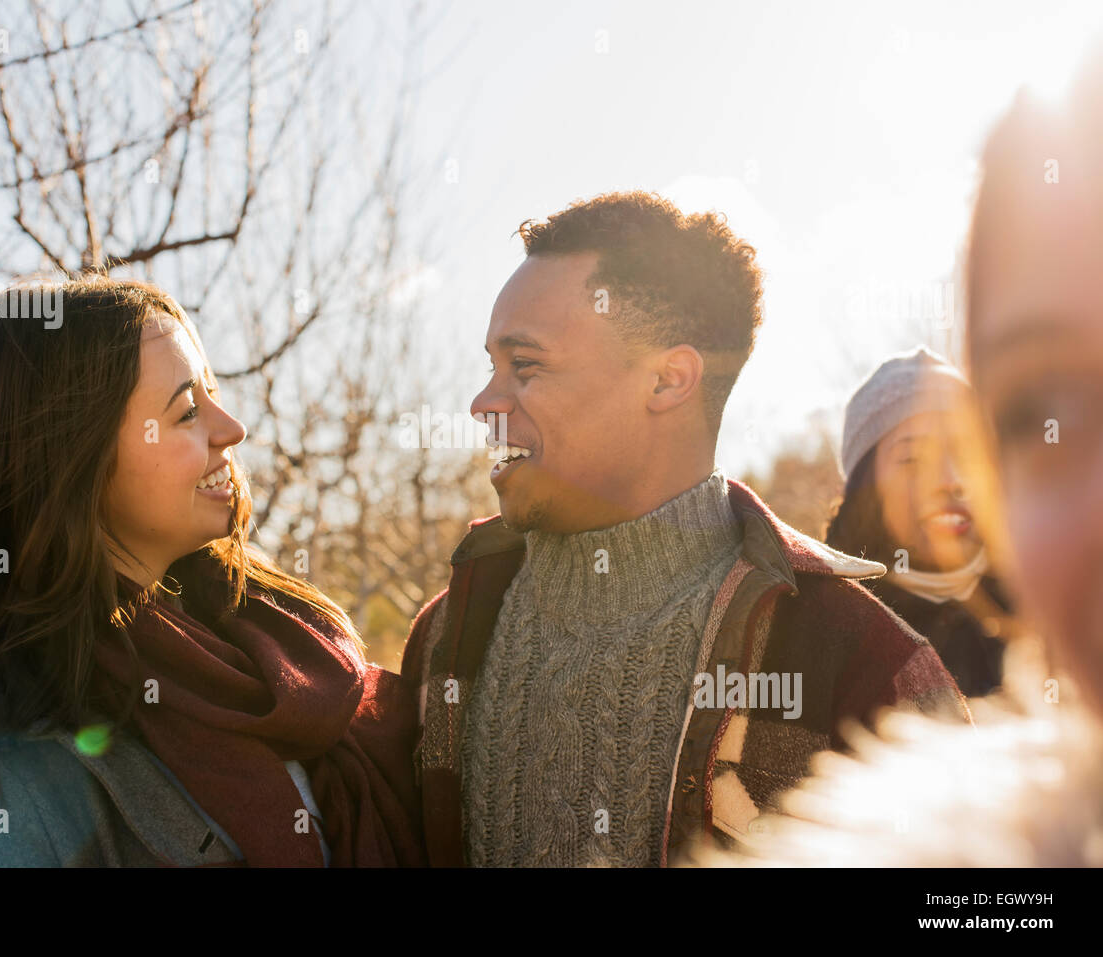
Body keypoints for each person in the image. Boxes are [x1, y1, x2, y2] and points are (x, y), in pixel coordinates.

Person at [399, 190, 971, 868]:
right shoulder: (448, 637)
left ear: (669, 380)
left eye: (524, 366)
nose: (483, 402)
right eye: (491, 366)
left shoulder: (862, 661)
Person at [0, 276, 424, 867]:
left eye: (212, 391)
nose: (232, 429)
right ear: (74, 459)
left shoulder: (280, 639)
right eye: (186, 412)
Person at [690, 43, 1103, 868]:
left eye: (968, 448)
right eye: (1038, 413)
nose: (951, 478)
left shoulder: (1024, 625)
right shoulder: (808, 628)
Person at [825, 346, 1016, 698]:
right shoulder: (820, 639)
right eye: (913, 458)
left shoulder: (1056, 617)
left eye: (965, 453)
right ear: (866, 491)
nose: (950, 479)